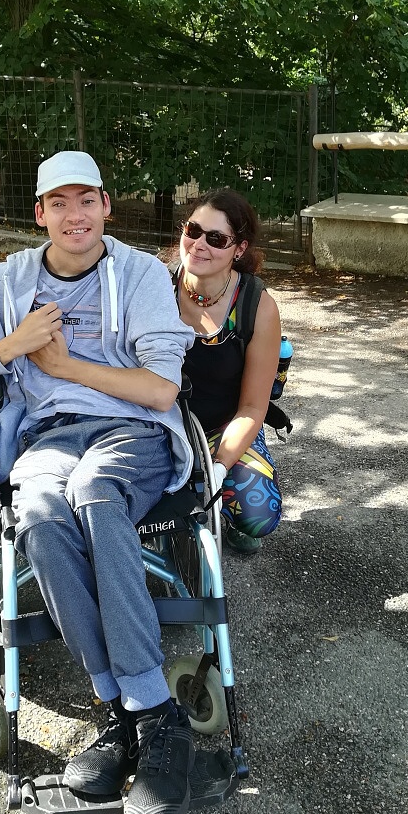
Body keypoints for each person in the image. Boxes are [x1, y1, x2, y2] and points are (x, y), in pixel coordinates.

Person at [0, 151, 199, 814]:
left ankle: (151, 714)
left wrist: (67, 364)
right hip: (48, 436)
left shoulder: (139, 274)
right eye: (59, 203)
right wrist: (8, 347)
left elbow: (161, 390)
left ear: (105, 206)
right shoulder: (2, 285)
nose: (75, 215)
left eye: (87, 200)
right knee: (41, 515)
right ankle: (128, 712)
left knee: (94, 491)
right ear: (39, 213)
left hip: (132, 432)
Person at [170, 188, 283, 554]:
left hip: (223, 426)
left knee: (258, 514)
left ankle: (231, 518)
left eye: (216, 239)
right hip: (157, 423)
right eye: (193, 230)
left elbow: (252, 408)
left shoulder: (256, 306)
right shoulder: (155, 285)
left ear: (239, 249)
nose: (199, 245)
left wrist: (219, 467)